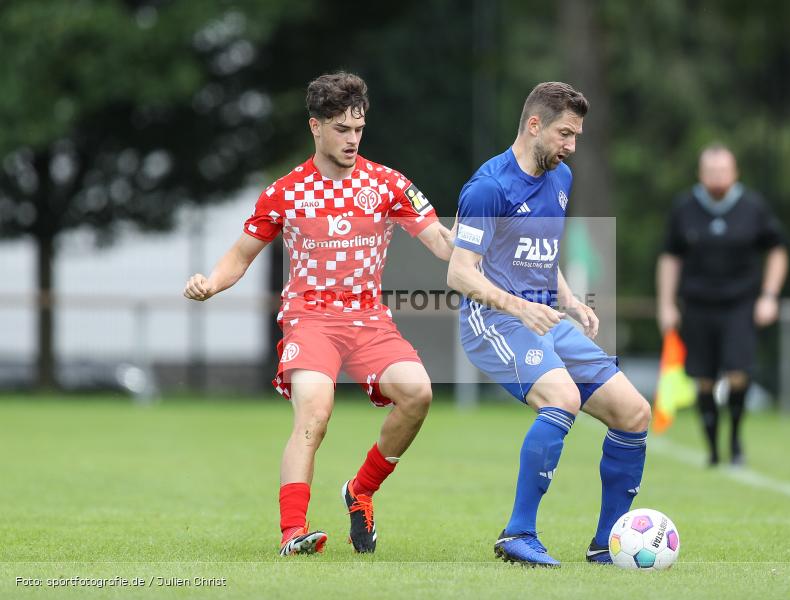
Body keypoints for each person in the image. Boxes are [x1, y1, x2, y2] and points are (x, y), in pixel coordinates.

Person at [183, 72, 454, 557]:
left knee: (418, 394)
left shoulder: (388, 183)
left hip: (369, 319)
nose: (352, 139)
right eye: (341, 129)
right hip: (310, 319)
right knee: (315, 412)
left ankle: (360, 491)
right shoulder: (286, 191)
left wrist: (478, 250)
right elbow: (240, 256)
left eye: (358, 129)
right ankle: (293, 533)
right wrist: (210, 282)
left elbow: (438, 240)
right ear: (316, 127)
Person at [447, 82, 651, 568]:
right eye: (565, 134)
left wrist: (571, 301)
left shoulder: (560, 178)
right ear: (534, 125)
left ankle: (608, 546)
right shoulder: (488, 188)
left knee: (634, 412)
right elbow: (458, 272)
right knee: (563, 398)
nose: (571, 146)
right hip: (494, 320)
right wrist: (521, 308)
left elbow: (540, 253)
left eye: (577, 136)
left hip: (546, 317)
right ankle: (517, 533)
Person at [656, 143, 788, 466]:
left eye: (723, 171)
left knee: (739, 373)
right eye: (711, 172)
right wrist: (666, 304)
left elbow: (777, 250)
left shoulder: (753, 207)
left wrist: (769, 296)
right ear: (701, 174)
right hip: (698, 305)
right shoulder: (685, 208)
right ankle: (713, 449)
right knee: (704, 380)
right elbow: (670, 258)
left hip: (740, 304)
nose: (717, 178)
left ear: (735, 173)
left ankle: (735, 439)